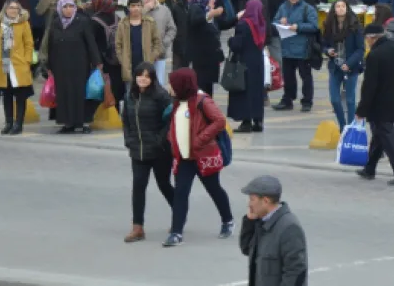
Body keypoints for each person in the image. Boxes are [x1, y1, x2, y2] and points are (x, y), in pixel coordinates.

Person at [163, 68, 234, 248]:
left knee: (214, 189)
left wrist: (200, 139)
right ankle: (176, 232)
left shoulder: (203, 101)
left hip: (203, 156)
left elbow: (219, 121)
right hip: (184, 158)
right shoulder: (178, 103)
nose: (169, 87)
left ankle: (227, 221)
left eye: (172, 83)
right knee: (180, 193)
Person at [121, 62, 175, 243]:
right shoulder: (130, 95)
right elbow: (126, 120)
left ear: (152, 78)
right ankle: (138, 227)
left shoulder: (161, 96)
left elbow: (169, 121)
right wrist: (128, 140)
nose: (142, 79)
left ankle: (179, 214)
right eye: (139, 75)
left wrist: (160, 140)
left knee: (163, 184)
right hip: (138, 150)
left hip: (159, 151)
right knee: (138, 187)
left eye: (146, 76)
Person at [356, 23, 394, 185]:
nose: (367, 42)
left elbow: (369, 86)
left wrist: (362, 109)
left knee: (388, 139)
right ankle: (370, 168)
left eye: (367, 39)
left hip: (380, 104)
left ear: (372, 38)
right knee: (379, 137)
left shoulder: (374, 55)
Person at [40, 0, 102, 133]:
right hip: (60, 65)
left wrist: (97, 62)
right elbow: (50, 45)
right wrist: (49, 66)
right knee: (64, 93)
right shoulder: (56, 23)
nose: (68, 10)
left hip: (79, 64)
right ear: (60, 8)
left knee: (80, 93)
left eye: (71, 6)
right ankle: (67, 123)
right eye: (65, 7)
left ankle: (82, 123)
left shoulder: (83, 22)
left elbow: (91, 43)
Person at [239, 175, 308, 285]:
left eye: (252, 199)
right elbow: (247, 248)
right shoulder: (261, 221)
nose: (249, 204)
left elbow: (295, 273)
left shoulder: (289, 228)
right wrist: (249, 222)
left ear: (266, 201)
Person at [0, 0, 34, 136]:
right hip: (3, 64)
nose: (13, 10)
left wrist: (27, 61)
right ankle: (8, 122)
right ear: (5, 10)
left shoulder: (24, 24)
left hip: (19, 65)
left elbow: (29, 44)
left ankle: (18, 123)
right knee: (6, 95)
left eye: (16, 8)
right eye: (10, 8)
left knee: (20, 95)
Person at [272, 0, 319, 112]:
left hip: (303, 49)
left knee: (305, 76)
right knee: (288, 76)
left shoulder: (307, 9)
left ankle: (307, 101)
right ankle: (288, 99)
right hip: (287, 48)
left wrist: (298, 27)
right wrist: (279, 23)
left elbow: (314, 26)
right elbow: (274, 22)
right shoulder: (283, 7)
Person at [227, 0, 269, 134]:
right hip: (257, 63)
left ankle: (246, 122)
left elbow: (237, 45)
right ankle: (258, 121)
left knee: (244, 92)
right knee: (257, 91)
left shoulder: (244, 25)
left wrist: (230, 40)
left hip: (244, 62)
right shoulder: (262, 24)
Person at [322, 0, 364, 130]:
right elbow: (324, 45)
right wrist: (328, 51)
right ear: (334, 9)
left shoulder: (355, 26)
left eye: (343, 6)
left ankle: (350, 128)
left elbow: (360, 49)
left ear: (347, 8)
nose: (340, 8)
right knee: (335, 99)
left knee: (351, 100)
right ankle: (342, 125)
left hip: (351, 66)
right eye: (338, 6)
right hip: (335, 66)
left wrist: (349, 63)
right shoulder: (329, 25)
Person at [116, 0, 164, 96]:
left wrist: (152, 57)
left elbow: (157, 42)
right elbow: (118, 45)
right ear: (128, 7)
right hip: (129, 67)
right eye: (133, 6)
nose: (136, 8)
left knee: (147, 95)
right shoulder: (122, 23)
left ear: (142, 7)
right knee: (130, 95)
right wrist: (122, 60)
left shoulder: (150, 22)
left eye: (138, 5)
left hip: (146, 65)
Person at [186, 0, 225, 96]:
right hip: (201, 57)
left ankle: (207, 109)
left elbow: (222, 24)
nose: (214, 0)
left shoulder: (208, 10)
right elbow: (195, 20)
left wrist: (236, 18)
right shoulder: (196, 8)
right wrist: (210, 14)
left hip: (211, 57)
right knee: (201, 87)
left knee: (209, 87)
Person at [142, 0, 176, 83]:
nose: (145, 1)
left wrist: (164, 43)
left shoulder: (164, 10)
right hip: (142, 54)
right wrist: (144, 10)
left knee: (158, 82)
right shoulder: (139, 10)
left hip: (160, 53)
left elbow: (172, 29)